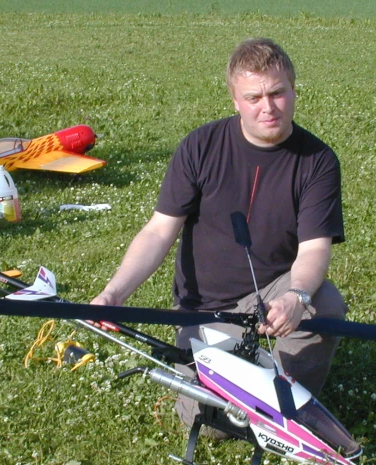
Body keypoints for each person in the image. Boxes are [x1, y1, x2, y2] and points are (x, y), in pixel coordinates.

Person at [91, 37, 347, 426]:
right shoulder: (200, 146)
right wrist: (114, 293)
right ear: (235, 101)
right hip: (206, 307)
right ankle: (234, 390)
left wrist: (295, 297)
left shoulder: (318, 161)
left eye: (278, 93)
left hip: (275, 289)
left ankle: (286, 407)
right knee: (212, 425)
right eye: (253, 97)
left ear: (294, 90)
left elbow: (314, 249)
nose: (268, 107)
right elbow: (159, 231)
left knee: (323, 303)